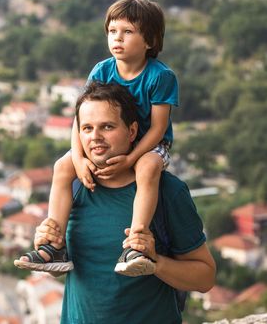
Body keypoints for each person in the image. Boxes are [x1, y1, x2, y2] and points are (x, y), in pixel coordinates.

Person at [15, 0, 178, 276]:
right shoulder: (102, 71)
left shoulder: (160, 76)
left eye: (128, 32)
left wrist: (130, 159)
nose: (118, 38)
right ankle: (54, 243)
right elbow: (82, 120)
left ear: (150, 40)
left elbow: (158, 129)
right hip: (109, 138)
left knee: (149, 167)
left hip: (149, 144)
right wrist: (78, 158)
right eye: (113, 31)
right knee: (62, 166)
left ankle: (136, 243)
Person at [36, 81, 215, 323]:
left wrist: (156, 263)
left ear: (132, 131)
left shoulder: (167, 192)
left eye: (107, 127)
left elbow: (205, 278)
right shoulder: (72, 186)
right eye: (87, 128)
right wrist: (48, 242)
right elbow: (82, 271)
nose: (95, 137)